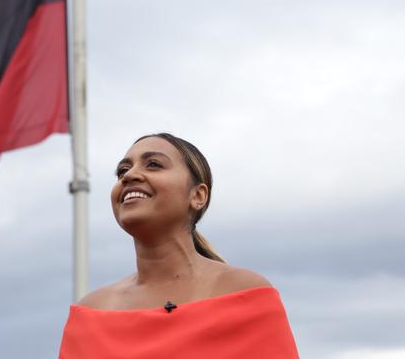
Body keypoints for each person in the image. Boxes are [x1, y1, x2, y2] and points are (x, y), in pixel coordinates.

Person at [58, 133, 299, 358]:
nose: (129, 175)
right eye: (122, 170)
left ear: (198, 196)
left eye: (153, 164)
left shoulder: (247, 294)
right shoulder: (90, 314)